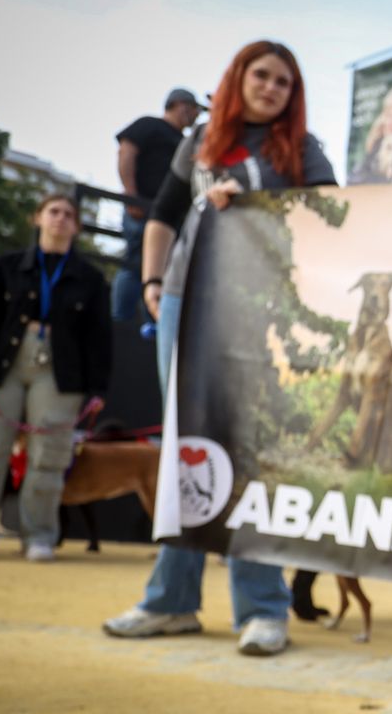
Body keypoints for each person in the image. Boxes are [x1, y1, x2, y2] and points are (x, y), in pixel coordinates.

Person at [102, 41, 336, 657]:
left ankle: (262, 607)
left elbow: (331, 214)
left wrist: (256, 208)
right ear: (238, 77)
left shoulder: (302, 148)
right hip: (186, 297)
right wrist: (152, 282)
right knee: (184, 445)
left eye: (284, 82)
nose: (272, 88)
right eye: (262, 75)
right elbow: (163, 215)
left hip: (259, 306)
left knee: (246, 447)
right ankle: (170, 602)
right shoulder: (202, 140)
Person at [0, 194, 111, 562]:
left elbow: (100, 337)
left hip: (61, 370)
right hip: (4, 365)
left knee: (49, 456)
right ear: (37, 218)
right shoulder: (4, 268)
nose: (60, 219)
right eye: (53, 212)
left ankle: (39, 536)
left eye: (68, 215)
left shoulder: (90, 279)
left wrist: (97, 388)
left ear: (76, 226)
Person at [113, 89, 203, 323]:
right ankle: (120, 320)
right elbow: (126, 151)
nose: (197, 115)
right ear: (181, 105)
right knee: (136, 262)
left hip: (171, 217)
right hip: (143, 208)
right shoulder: (150, 125)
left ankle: (151, 322)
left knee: (164, 269)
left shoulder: (185, 141)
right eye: (195, 109)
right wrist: (131, 193)